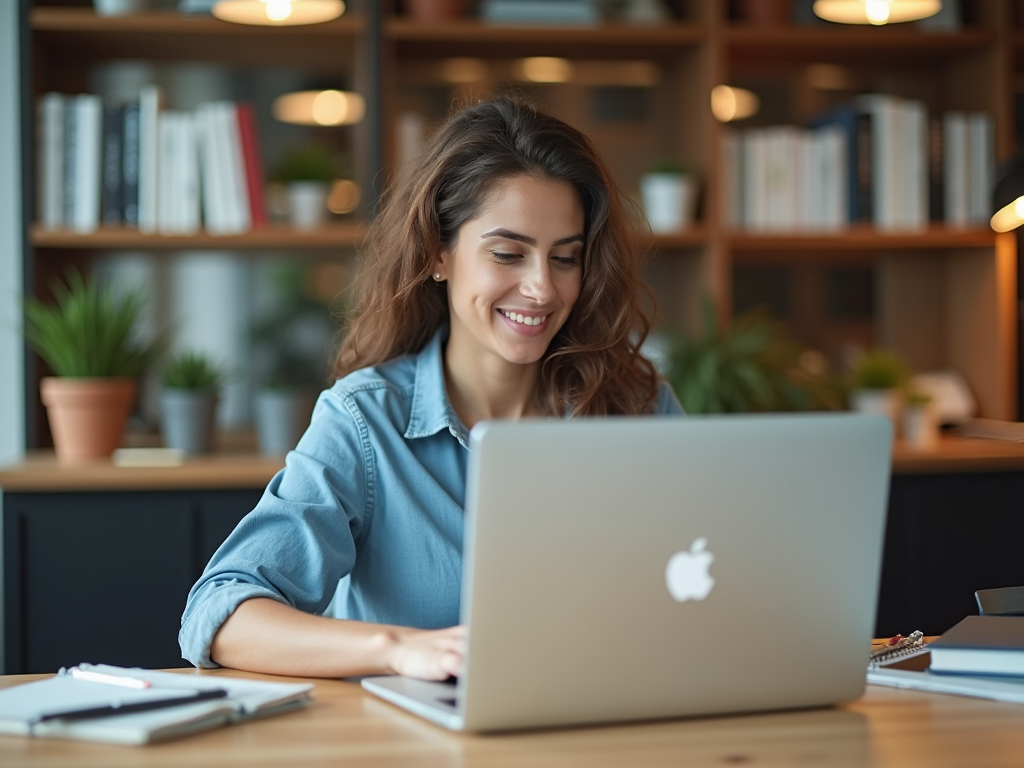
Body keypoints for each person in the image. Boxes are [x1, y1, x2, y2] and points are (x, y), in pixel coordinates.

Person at [180, 95, 683, 681]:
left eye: (565, 258)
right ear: (438, 253)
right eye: (507, 254)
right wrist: (397, 649)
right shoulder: (366, 423)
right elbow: (221, 613)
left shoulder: (639, 408)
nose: (543, 289)